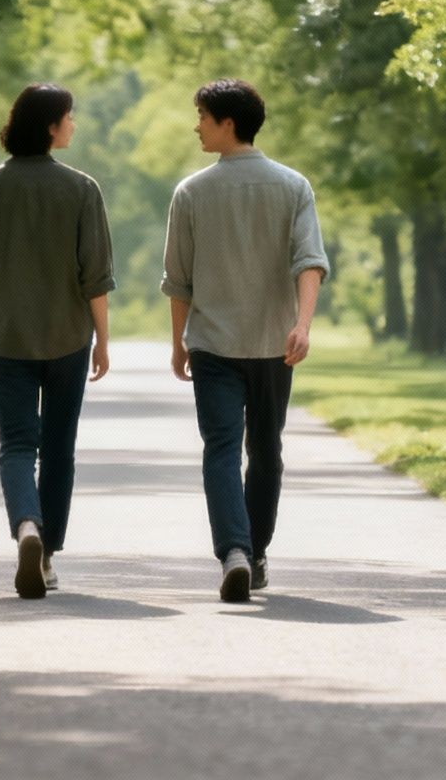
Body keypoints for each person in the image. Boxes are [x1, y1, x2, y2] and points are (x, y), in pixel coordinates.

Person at [159, 78, 329, 603]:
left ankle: (233, 550)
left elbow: (177, 280)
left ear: (227, 123)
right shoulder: (294, 186)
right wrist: (301, 324)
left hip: (213, 344)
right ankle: (253, 555)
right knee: (267, 450)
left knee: (221, 448)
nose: (197, 126)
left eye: (203, 117)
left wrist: (178, 342)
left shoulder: (191, 191)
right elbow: (310, 261)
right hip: (274, 344)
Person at [0, 84, 114, 600]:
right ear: (50, 125)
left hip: (9, 336)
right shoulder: (82, 188)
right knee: (60, 447)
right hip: (69, 337)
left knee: (18, 444)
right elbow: (96, 277)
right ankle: (45, 554)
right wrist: (103, 341)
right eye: (69, 118)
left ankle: (26, 523)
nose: (73, 126)